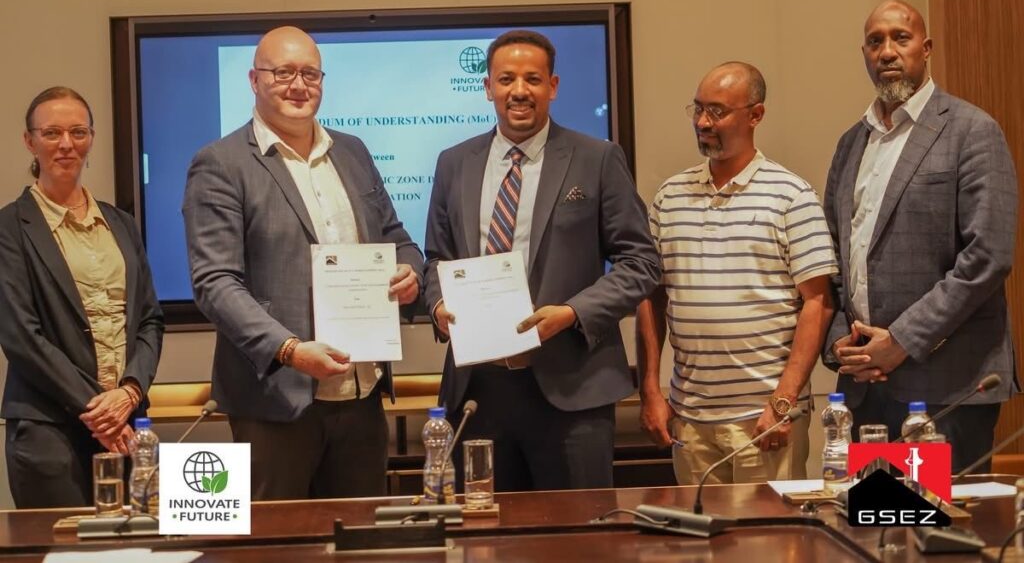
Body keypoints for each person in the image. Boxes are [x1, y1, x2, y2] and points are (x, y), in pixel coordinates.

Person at [182, 26, 423, 500]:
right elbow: (215, 282)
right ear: (254, 79)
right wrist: (289, 350)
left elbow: (397, 239)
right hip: (274, 400)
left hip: (362, 394)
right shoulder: (221, 163)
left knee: (360, 535)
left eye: (310, 74)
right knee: (278, 537)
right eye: (283, 73)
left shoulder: (352, 152)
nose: (298, 85)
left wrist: (410, 271)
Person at [424, 29, 660, 491]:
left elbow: (641, 262)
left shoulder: (597, 158)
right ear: (487, 87)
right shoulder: (454, 163)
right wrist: (436, 305)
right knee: (484, 528)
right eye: (506, 79)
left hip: (573, 389)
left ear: (552, 86)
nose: (519, 90)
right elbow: (437, 258)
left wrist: (573, 313)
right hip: (478, 390)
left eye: (532, 79)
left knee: (578, 527)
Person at [823, 0, 1018, 472]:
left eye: (901, 38)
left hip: (946, 389)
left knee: (938, 519)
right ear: (864, 54)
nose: (887, 51)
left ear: (926, 48)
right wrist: (842, 344)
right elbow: (833, 258)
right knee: (878, 516)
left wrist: (902, 340)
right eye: (875, 41)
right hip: (866, 389)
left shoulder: (972, 130)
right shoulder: (851, 143)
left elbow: (987, 256)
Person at [636, 63, 836, 485]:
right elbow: (650, 297)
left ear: (755, 115)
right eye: (698, 109)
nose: (702, 122)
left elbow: (818, 303)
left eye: (717, 111)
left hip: (765, 421)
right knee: (699, 531)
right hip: (689, 420)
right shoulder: (669, 197)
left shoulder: (792, 196)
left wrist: (783, 402)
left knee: (770, 530)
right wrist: (650, 391)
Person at [0, 86, 164, 508]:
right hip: (50, 430)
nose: (66, 144)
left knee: (144, 541)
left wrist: (129, 392)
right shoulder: (9, 229)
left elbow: (149, 320)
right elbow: (22, 337)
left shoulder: (121, 223)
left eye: (78, 132)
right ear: (29, 141)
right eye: (52, 133)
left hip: (129, 422)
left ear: (91, 137)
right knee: (61, 544)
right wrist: (100, 413)